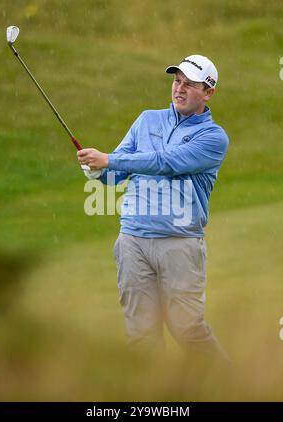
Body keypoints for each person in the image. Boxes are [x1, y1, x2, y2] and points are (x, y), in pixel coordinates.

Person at [78, 54, 229, 361]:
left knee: (187, 329)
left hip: (180, 244)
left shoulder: (213, 138)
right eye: (177, 81)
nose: (179, 89)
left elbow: (167, 163)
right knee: (141, 332)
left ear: (209, 92)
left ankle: (231, 390)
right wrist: (97, 171)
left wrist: (110, 159)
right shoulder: (147, 119)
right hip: (133, 241)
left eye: (189, 84)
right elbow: (115, 174)